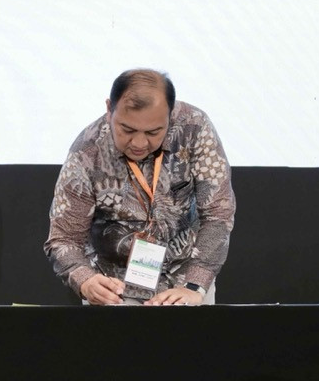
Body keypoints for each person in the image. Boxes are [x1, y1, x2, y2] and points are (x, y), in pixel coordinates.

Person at [45, 69, 235, 305]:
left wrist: (195, 285)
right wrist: (85, 280)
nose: (139, 143)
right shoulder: (87, 152)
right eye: (127, 130)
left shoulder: (194, 127)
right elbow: (64, 238)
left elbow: (218, 213)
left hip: (186, 281)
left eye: (153, 132)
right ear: (109, 109)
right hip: (115, 287)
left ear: (171, 114)